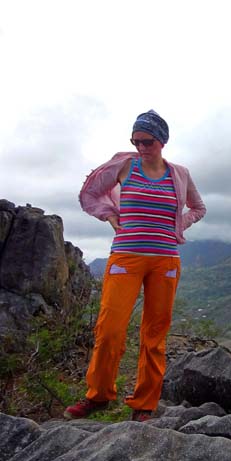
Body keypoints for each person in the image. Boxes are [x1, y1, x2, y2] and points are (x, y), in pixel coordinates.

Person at [65, 110, 206, 422]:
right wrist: (109, 215)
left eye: (148, 141)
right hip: (126, 256)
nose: (141, 147)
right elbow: (89, 192)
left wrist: (178, 225)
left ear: (162, 141)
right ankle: (98, 396)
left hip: (166, 260)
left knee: (154, 334)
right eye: (136, 141)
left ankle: (145, 403)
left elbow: (199, 207)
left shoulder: (179, 174)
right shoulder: (125, 165)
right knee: (110, 329)